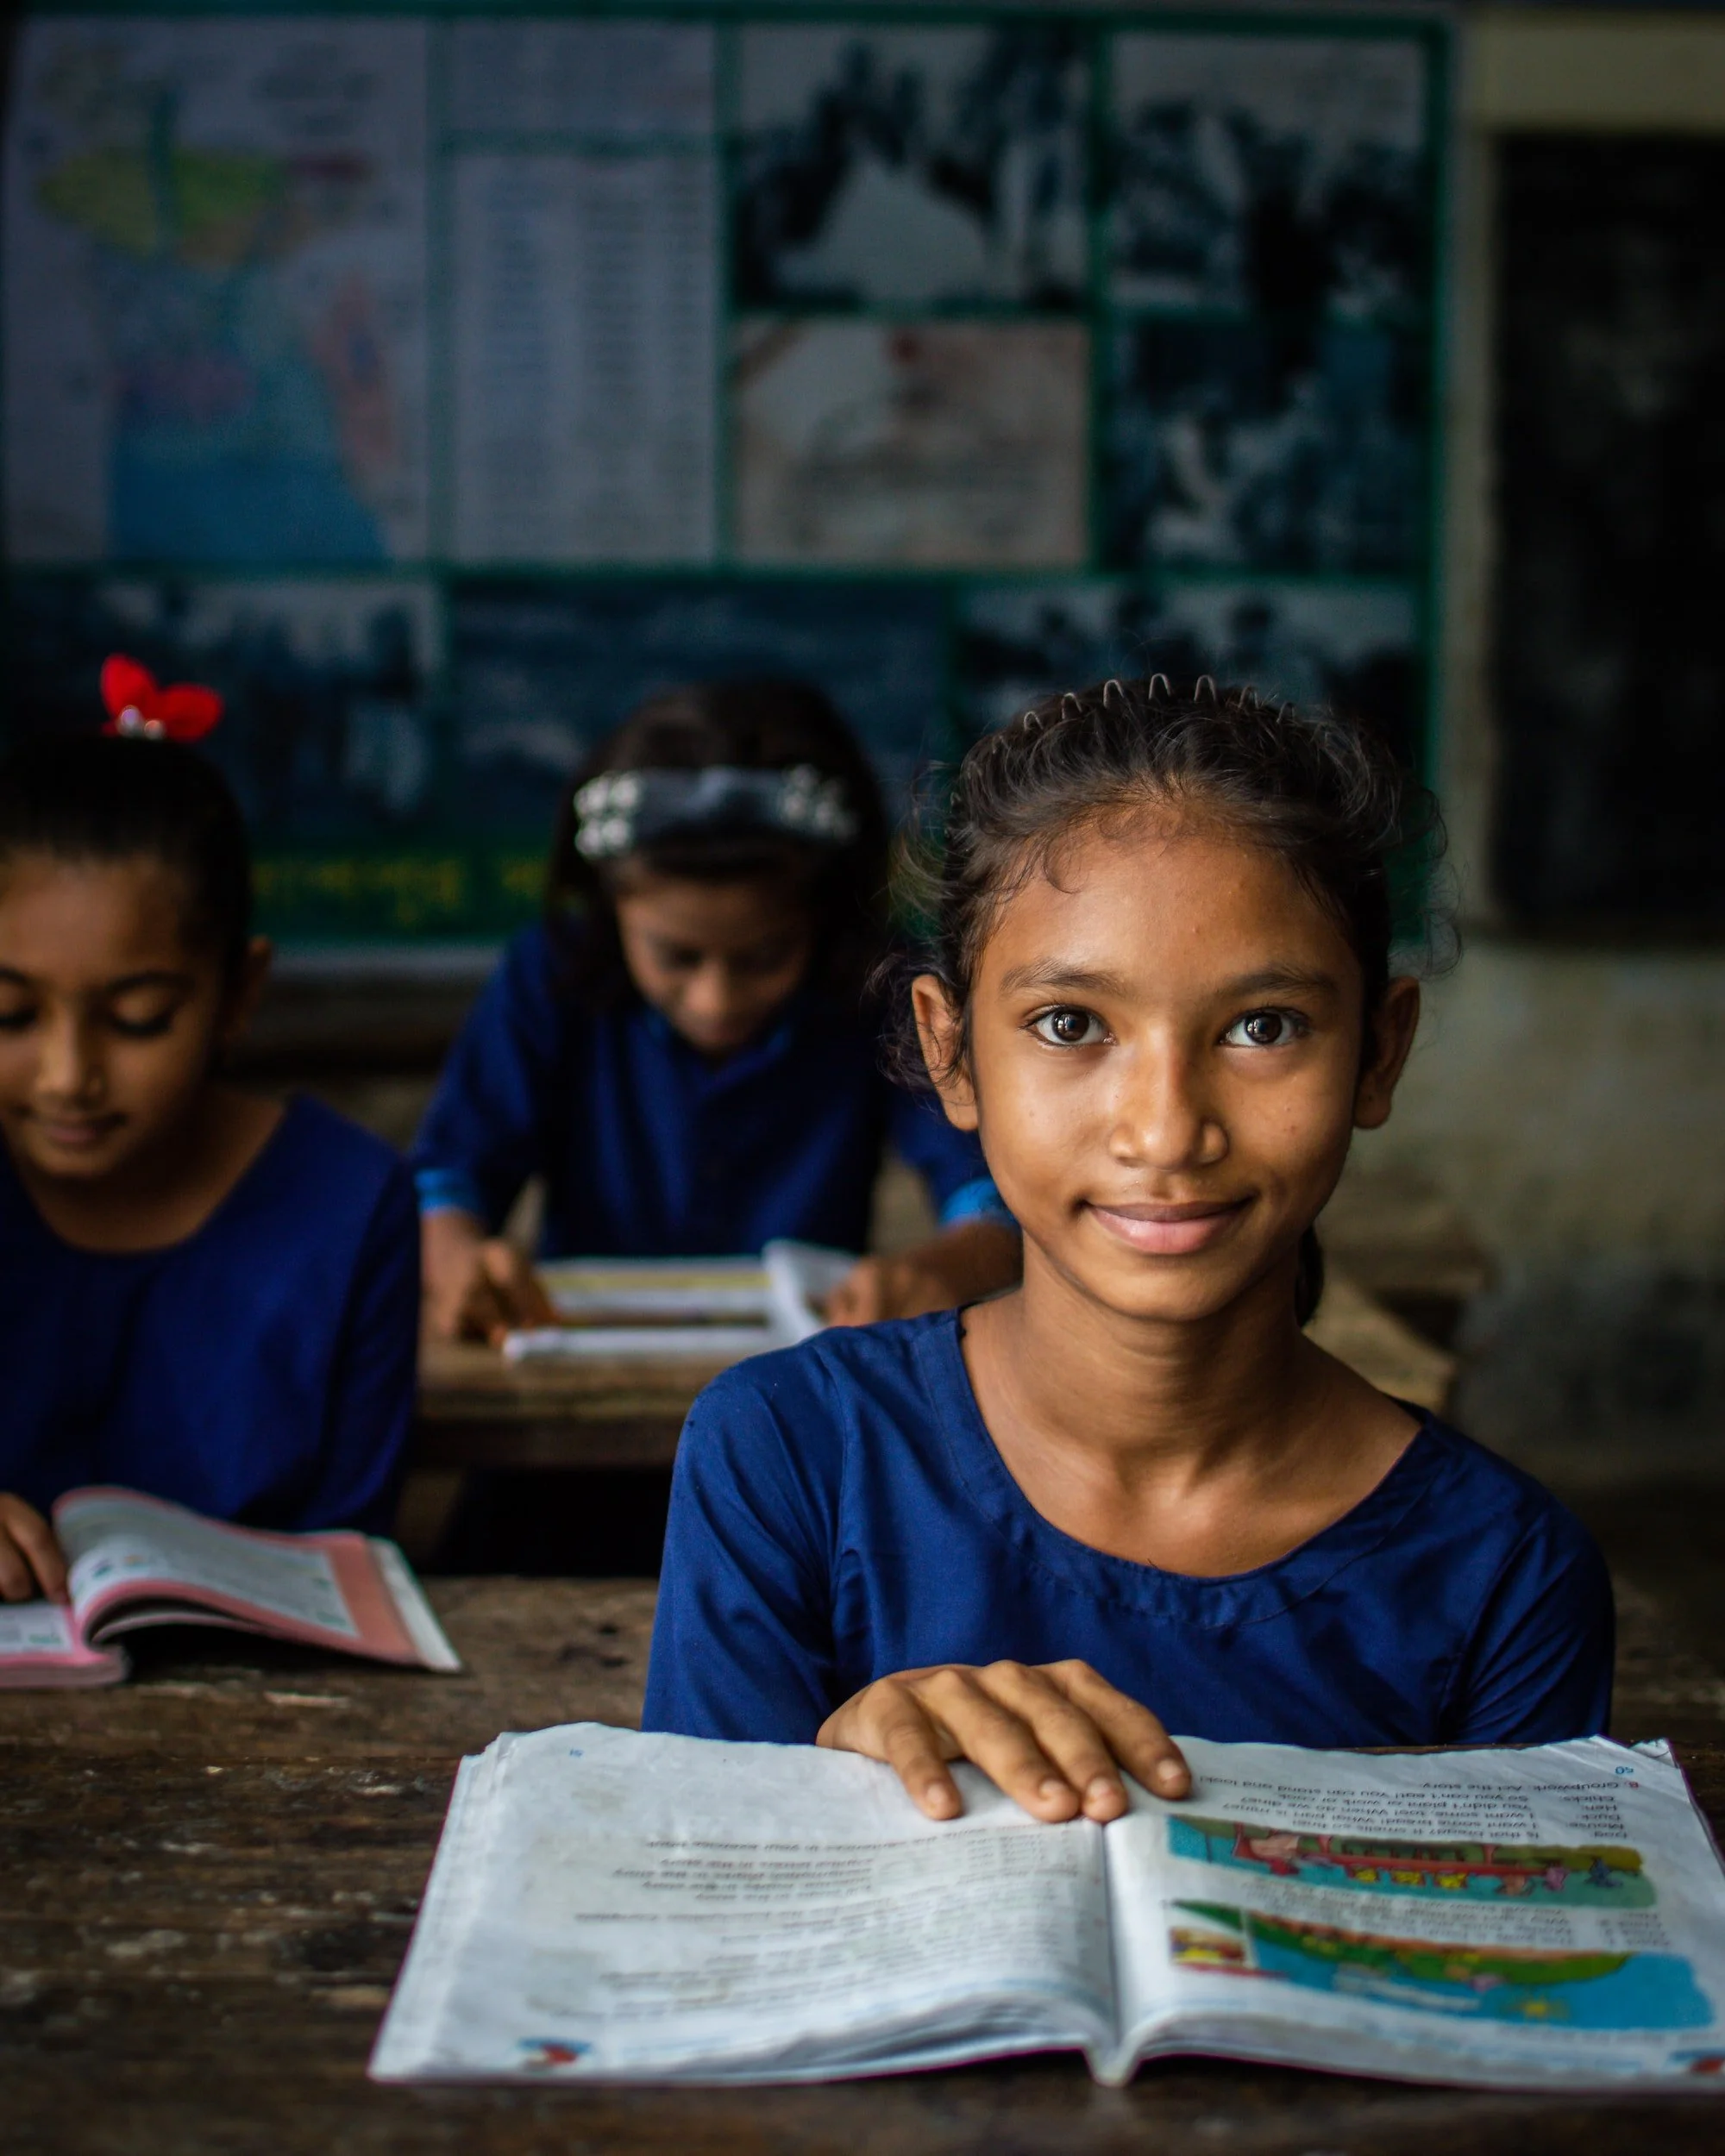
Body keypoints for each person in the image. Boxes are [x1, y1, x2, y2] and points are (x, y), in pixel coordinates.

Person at [643, 676, 1614, 1821]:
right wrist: (841, 1764)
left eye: (1264, 1027)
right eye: (1072, 1025)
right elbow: (706, 1901)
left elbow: (1520, 1977)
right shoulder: (791, 1455)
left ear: (1378, 1055)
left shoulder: (1501, 1572)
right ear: (950, 1055)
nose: (1165, 1130)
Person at [413, 681, 1021, 1344]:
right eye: (676, 957)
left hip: (801, 1376)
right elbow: (453, 1174)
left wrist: (939, 1270)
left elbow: (992, 1190)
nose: (715, 1000)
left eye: (764, 956)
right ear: (608, 907)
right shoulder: (552, 975)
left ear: (826, 914)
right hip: (576, 1365)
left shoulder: (878, 988)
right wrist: (455, 1259)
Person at [0, 684, 419, 1604]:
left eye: (140, 1019)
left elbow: (349, 1556)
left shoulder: (350, 1204)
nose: (69, 1074)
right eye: (11, 1014)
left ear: (238, 991)